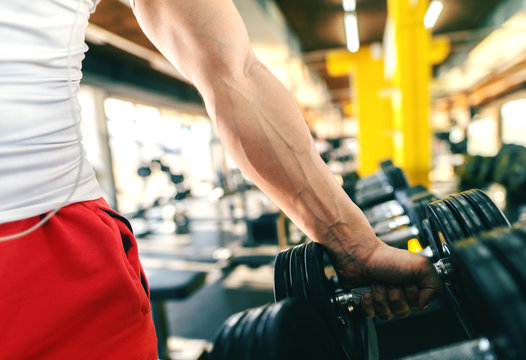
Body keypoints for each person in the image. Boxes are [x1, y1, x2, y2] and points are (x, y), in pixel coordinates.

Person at [0, 0, 443, 358]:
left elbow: (231, 75)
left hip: (48, 252)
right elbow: (232, 75)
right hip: (45, 242)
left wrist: (355, 245)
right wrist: (354, 246)